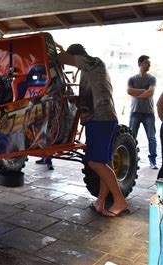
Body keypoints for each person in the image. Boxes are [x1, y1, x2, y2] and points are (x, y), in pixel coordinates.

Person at [57, 43, 128, 217]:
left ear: (77, 56)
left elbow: (61, 58)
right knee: (105, 163)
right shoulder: (88, 73)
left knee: (95, 163)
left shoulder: (93, 63)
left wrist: (54, 50)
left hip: (101, 119)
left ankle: (119, 200)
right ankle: (100, 202)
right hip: (102, 119)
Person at [127, 55, 158, 169]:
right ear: (140, 63)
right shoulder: (132, 79)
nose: (149, 65)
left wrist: (137, 94)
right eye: (146, 63)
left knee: (151, 137)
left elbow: (151, 93)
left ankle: (153, 161)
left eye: (149, 63)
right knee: (131, 137)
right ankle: (131, 159)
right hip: (135, 112)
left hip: (148, 113)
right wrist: (143, 91)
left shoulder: (151, 78)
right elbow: (129, 91)